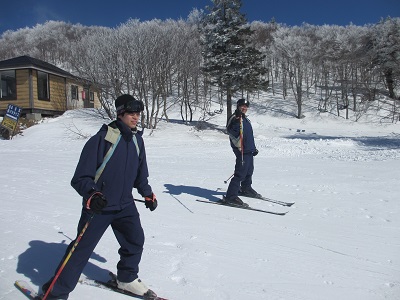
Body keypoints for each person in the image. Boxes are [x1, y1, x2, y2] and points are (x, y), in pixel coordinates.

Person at [42, 94, 158, 299]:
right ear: (120, 113)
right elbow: (80, 177)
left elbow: (141, 174)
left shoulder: (137, 140)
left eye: (138, 113)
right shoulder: (103, 139)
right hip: (99, 206)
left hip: (125, 205)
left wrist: (147, 194)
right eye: (131, 113)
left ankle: (127, 278)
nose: (136, 117)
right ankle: (55, 293)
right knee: (80, 250)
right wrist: (92, 194)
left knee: (135, 240)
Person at [224, 98, 260, 206]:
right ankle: (231, 196)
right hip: (241, 150)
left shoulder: (245, 119)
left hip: (249, 150)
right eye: (242, 106)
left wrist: (253, 148)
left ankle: (246, 188)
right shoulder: (234, 118)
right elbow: (232, 132)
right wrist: (236, 120)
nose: (244, 108)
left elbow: (248, 135)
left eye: (246, 107)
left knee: (249, 171)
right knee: (240, 173)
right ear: (238, 106)